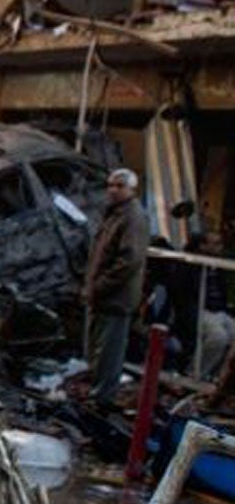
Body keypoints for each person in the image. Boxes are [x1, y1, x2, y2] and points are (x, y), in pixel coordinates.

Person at [84, 168, 149, 405]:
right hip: (102, 296)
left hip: (115, 297)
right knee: (97, 349)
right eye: (110, 185)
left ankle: (102, 399)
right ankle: (96, 393)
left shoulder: (133, 217)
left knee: (109, 352)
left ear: (132, 189)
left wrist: (100, 285)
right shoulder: (114, 214)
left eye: (119, 186)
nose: (112, 190)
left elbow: (129, 260)